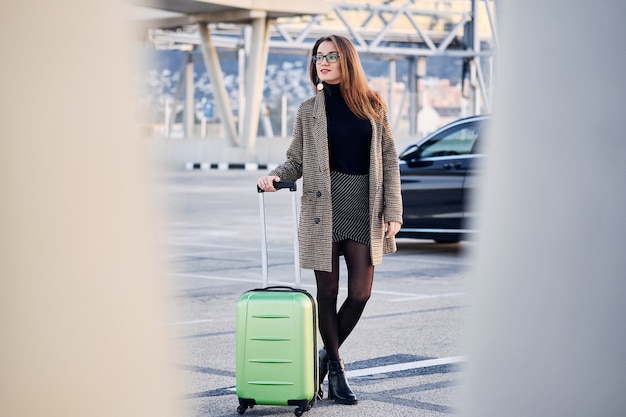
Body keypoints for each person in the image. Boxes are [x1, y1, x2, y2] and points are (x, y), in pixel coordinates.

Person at [257, 34, 403, 405]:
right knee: (327, 292)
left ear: (347, 60)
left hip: (363, 205)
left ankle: (325, 354)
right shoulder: (309, 109)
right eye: (318, 56)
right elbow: (297, 159)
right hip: (324, 208)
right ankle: (337, 369)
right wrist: (275, 175)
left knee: (361, 293)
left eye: (331, 56)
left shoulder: (374, 106)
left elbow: (389, 160)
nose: (323, 62)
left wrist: (394, 212)